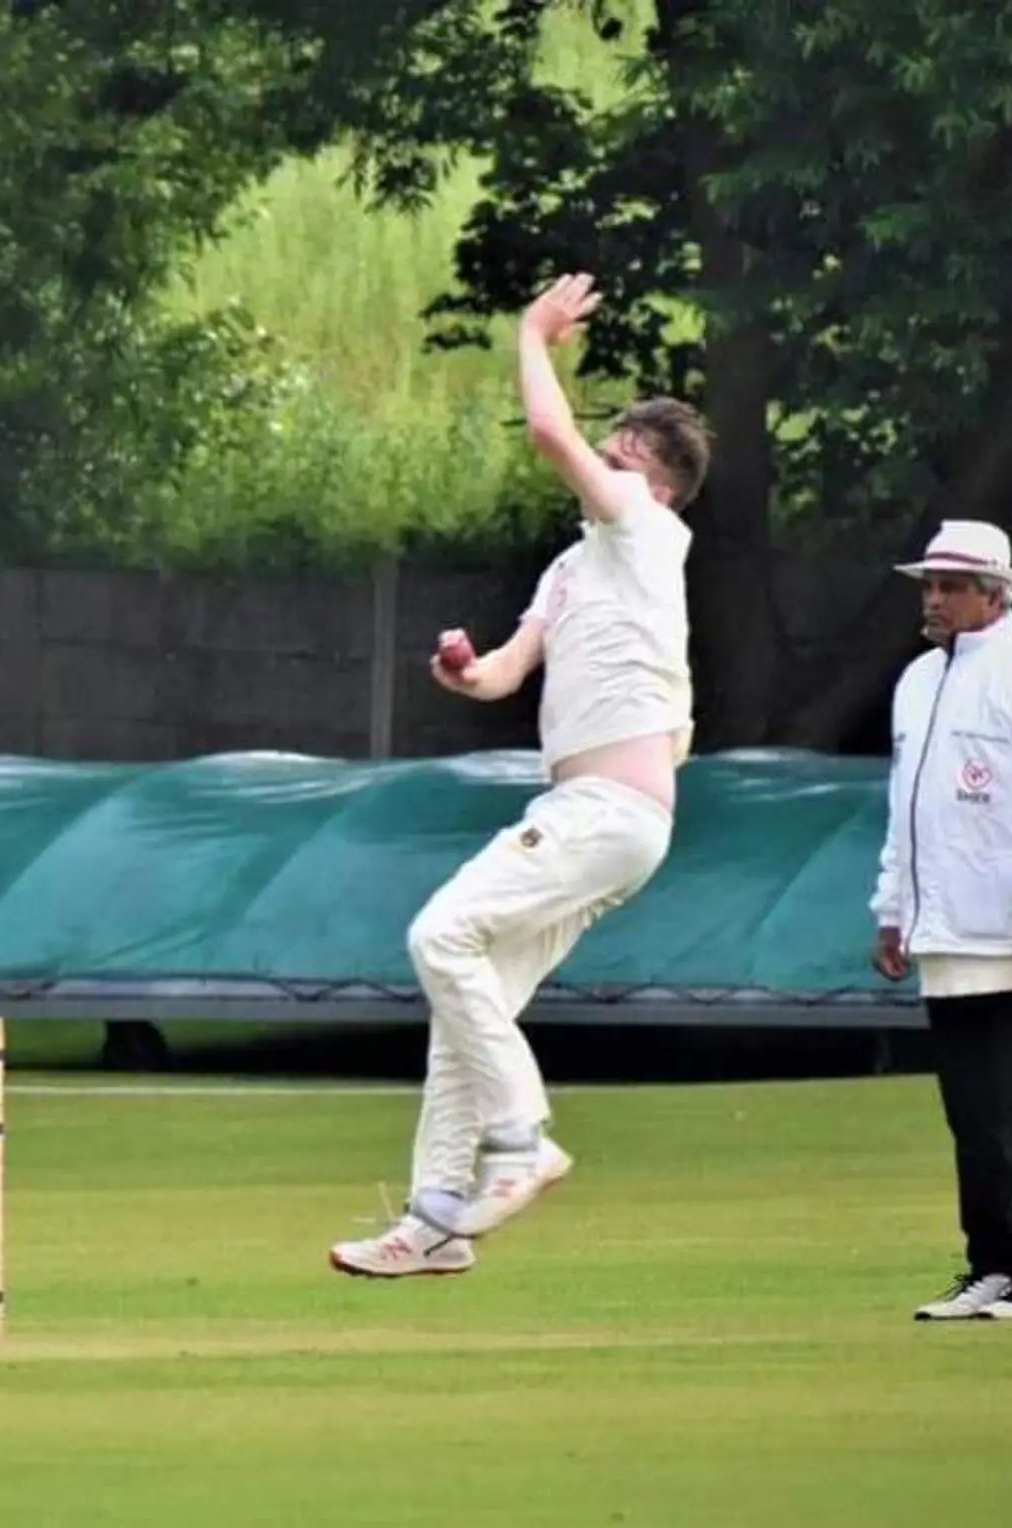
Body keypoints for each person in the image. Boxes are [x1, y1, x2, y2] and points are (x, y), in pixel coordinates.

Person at [329, 272, 712, 1278]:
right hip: (588, 810)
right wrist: (464, 671)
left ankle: (522, 1136)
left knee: (437, 933)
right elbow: (504, 670)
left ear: (654, 484)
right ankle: (434, 1224)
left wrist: (530, 336)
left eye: (622, 454)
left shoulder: (644, 526)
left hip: (609, 808)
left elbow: (549, 436)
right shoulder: (573, 563)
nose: (601, 462)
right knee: (467, 1009)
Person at [870, 520, 1012, 1323]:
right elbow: (907, 811)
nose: (932, 599)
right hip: (943, 932)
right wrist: (892, 910)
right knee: (972, 1114)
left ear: (995, 593)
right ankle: (992, 1265)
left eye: (949, 586)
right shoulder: (917, 681)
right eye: (928, 585)